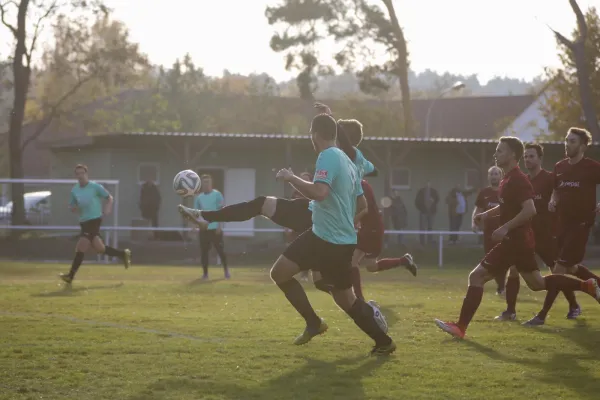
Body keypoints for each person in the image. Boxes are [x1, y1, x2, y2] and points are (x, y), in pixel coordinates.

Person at [434, 136, 600, 339]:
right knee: (537, 283)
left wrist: (504, 228)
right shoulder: (507, 178)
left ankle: (460, 327)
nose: (496, 153)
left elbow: (529, 210)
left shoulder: (519, 180)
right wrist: (486, 215)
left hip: (515, 241)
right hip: (521, 242)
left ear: (513, 155)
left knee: (476, 276)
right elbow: (507, 206)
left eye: (500, 150)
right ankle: (586, 285)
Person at [273, 113, 395, 355]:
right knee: (345, 299)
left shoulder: (327, 156)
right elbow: (362, 205)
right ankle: (384, 341)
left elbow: (319, 193)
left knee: (279, 273)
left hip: (323, 238)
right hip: (343, 241)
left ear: (315, 134)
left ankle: (313, 323)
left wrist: (290, 178)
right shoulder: (349, 162)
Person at [495, 143, 581, 322]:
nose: (527, 159)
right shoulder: (524, 179)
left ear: (540, 158)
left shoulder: (549, 178)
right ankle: (510, 310)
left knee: (556, 273)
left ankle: (573, 304)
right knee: (513, 270)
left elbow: (561, 193)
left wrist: (554, 202)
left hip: (546, 234)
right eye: (525, 156)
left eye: (531, 156)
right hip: (526, 234)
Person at [523, 128, 600, 326]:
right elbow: (556, 190)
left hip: (580, 225)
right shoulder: (559, 167)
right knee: (571, 268)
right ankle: (592, 288)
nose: (567, 144)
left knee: (558, 270)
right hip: (561, 226)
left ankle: (541, 315)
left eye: (572, 141)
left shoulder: (592, 167)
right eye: (566, 140)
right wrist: (552, 200)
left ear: (583, 145)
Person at [60, 164, 131, 284]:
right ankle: (123, 254)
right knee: (100, 248)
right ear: (76, 176)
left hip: (94, 220)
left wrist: (108, 208)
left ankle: (70, 276)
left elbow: (109, 198)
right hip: (83, 221)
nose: (80, 176)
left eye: (82, 173)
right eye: (78, 174)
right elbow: (71, 204)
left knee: (81, 246)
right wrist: (72, 207)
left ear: (86, 174)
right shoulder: (75, 190)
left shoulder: (95, 187)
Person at [472, 166, 504, 295]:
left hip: (503, 232)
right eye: (491, 174)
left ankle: (502, 287)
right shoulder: (484, 193)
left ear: (501, 176)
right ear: (488, 177)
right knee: (491, 260)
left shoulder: (505, 191)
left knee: (502, 259)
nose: (494, 176)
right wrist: (474, 223)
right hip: (488, 233)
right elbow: (478, 210)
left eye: (496, 174)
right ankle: (501, 286)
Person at [194, 174, 229, 280]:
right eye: (204, 182)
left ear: (211, 183)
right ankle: (205, 274)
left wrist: (219, 225)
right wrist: (196, 225)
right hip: (204, 229)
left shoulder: (217, 195)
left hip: (215, 228)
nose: (206, 184)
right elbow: (196, 213)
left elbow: (221, 211)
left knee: (220, 251)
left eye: (208, 182)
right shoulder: (199, 198)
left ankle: (226, 271)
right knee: (204, 252)